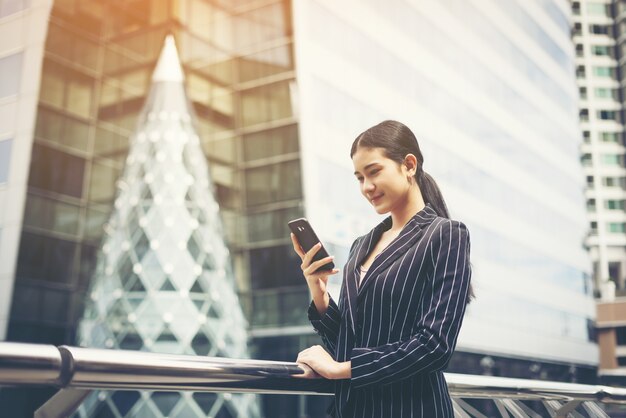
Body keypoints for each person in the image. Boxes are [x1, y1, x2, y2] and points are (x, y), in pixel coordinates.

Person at [289, 120, 475, 417]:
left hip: (412, 409)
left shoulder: (445, 234)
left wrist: (340, 370)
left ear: (409, 165)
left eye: (374, 172)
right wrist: (319, 292)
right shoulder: (361, 245)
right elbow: (350, 340)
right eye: (359, 178)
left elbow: (434, 346)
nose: (366, 187)